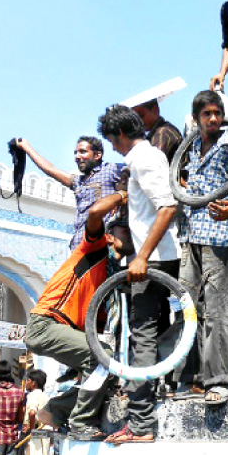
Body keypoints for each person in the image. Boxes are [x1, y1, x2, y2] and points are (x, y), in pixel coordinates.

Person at [25, 187, 135, 440]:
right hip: (46, 324)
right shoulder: (93, 250)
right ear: (108, 237)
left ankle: (55, 410)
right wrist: (122, 195)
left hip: (63, 330)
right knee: (102, 357)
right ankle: (80, 422)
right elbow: (96, 212)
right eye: (124, 230)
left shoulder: (111, 278)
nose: (130, 234)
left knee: (107, 372)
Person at [98, 104, 179, 444]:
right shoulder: (144, 159)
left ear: (120, 135)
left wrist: (141, 256)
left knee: (141, 336)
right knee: (152, 332)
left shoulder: (144, 159)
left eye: (112, 141)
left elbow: (168, 206)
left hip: (154, 260)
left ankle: (141, 425)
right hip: (157, 257)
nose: (113, 147)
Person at [177, 89, 228, 404]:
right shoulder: (193, 147)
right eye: (206, 114)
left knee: (219, 311)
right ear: (197, 117)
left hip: (221, 237)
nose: (212, 119)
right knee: (187, 309)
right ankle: (190, 379)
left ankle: (218, 380)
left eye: (217, 113)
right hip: (192, 237)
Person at [16, 136, 125, 249]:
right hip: (79, 247)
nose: (77, 157)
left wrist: (120, 196)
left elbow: (137, 172)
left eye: (83, 152)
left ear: (97, 155)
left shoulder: (110, 170)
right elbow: (50, 169)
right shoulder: (78, 181)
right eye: (76, 153)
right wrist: (26, 147)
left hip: (100, 246)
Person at [130, 98, 183, 162]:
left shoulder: (163, 133)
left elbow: (153, 163)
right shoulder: (158, 133)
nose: (139, 122)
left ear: (155, 110)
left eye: (141, 116)